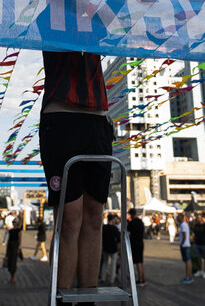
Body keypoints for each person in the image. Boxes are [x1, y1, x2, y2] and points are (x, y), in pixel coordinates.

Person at [39, 50, 113, 291]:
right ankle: (61, 298)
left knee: (94, 217)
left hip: (97, 117)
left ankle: (88, 299)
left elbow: (122, 20)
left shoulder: (100, 13)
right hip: (61, 115)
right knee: (69, 219)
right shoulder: (52, 11)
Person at [127, 208, 146, 285]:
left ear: (131, 214)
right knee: (141, 261)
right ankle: (143, 277)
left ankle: (140, 279)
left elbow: (128, 232)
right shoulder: (140, 222)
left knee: (137, 261)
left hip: (135, 243)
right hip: (141, 242)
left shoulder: (132, 223)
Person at [100, 213, 120, 285]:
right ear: (112, 220)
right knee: (113, 264)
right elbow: (118, 239)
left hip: (105, 247)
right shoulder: (115, 228)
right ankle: (111, 279)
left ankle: (103, 278)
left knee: (104, 263)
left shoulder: (104, 227)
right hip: (113, 248)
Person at [6, 214, 22, 283]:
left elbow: (20, 240)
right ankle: (11, 276)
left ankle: (14, 277)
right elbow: (9, 239)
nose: (14, 223)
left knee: (13, 262)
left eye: (15, 222)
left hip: (15, 246)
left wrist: (19, 248)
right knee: (10, 261)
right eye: (13, 222)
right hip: (10, 245)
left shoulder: (18, 230)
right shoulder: (11, 230)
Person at [178, 213, 193, 284]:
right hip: (187, 244)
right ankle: (189, 276)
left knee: (187, 261)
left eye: (178, 217)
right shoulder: (185, 224)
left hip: (185, 245)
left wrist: (181, 243)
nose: (177, 219)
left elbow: (184, 235)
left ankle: (188, 277)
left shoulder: (183, 225)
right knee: (188, 261)